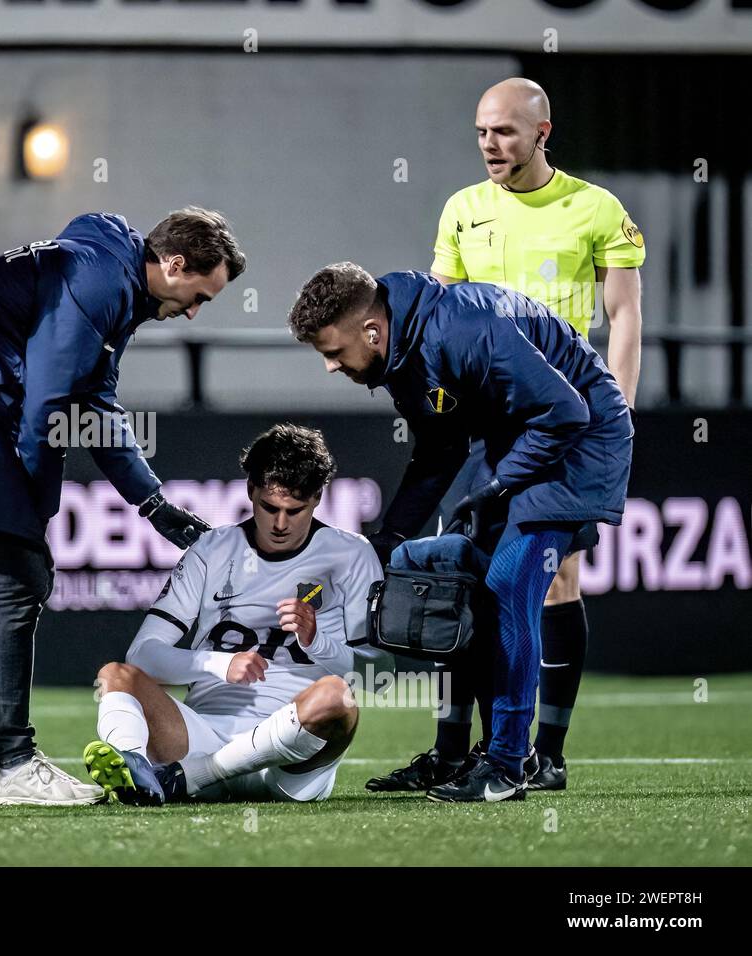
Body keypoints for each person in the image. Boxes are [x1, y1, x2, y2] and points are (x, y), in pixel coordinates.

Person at [0, 208, 246, 806]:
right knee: (22, 576)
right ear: (174, 265)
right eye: (200, 295)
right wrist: (36, 501)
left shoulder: (115, 280)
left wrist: (152, 503)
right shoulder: (103, 280)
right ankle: (14, 762)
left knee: (20, 576)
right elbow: (50, 403)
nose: (196, 311)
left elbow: (93, 405)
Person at [289, 263, 632, 802]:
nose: (331, 367)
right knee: (451, 577)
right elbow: (439, 452)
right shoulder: (402, 355)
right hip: (514, 436)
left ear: (372, 332)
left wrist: (499, 485)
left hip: (581, 439)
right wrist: (389, 538)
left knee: (510, 586)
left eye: (333, 352)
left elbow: (568, 410)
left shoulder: (462, 328)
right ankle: (451, 756)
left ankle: (507, 767)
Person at [392, 77, 645, 792]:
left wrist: (618, 410)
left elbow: (623, 317)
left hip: (563, 418)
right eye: (480, 132)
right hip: (486, 431)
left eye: (504, 131)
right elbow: (437, 316)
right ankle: (455, 749)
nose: (489, 145)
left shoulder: (596, 210)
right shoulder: (462, 211)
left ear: (542, 131)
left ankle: (544, 752)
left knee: (550, 580)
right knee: (467, 574)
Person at [82, 424, 386, 805]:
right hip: (198, 735)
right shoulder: (210, 549)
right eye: (269, 507)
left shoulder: (352, 554)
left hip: (287, 759)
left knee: (337, 698)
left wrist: (318, 642)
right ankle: (138, 772)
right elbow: (143, 655)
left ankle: (190, 777)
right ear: (250, 491)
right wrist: (216, 663)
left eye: (295, 511)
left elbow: (381, 675)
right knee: (116, 676)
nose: (280, 523)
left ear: (318, 498)